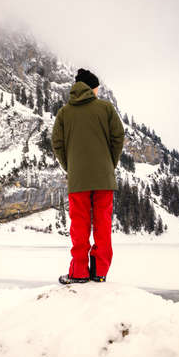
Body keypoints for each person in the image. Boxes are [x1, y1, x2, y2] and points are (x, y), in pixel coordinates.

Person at [51, 68, 125, 284]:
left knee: (79, 226)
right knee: (102, 224)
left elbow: (57, 144)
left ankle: (79, 273)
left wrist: (70, 166)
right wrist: (109, 163)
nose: (98, 91)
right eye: (97, 88)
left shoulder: (64, 113)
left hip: (78, 180)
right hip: (104, 178)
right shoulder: (106, 108)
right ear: (92, 88)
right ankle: (99, 272)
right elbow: (118, 137)